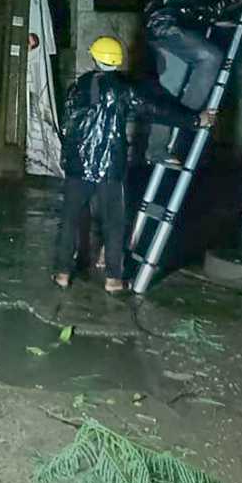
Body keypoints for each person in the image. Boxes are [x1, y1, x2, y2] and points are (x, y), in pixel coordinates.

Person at [53, 36, 214, 294]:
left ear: (94, 58)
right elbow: (155, 109)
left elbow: (66, 125)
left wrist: (68, 158)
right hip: (110, 168)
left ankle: (62, 273)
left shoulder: (76, 88)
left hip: (77, 165)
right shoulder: (123, 89)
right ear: (117, 62)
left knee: (70, 219)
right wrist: (196, 120)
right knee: (114, 223)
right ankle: (113, 279)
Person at [144, 0, 242, 164]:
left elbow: (202, 7)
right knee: (211, 57)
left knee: (169, 89)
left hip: (165, 26)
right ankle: (190, 120)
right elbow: (204, 5)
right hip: (167, 26)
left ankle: (156, 150)